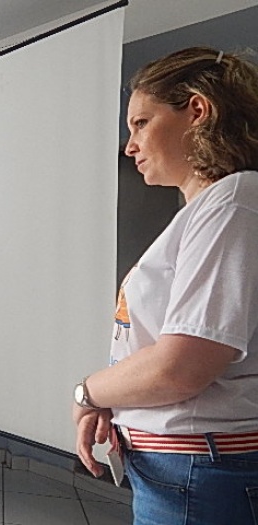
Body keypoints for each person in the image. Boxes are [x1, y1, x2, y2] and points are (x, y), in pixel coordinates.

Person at [72, 47, 258, 524]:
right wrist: (112, 397)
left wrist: (88, 391)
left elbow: (182, 366)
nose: (129, 145)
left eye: (141, 123)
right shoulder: (210, 209)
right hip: (187, 469)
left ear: (197, 110)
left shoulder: (233, 201)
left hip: (200, 473)